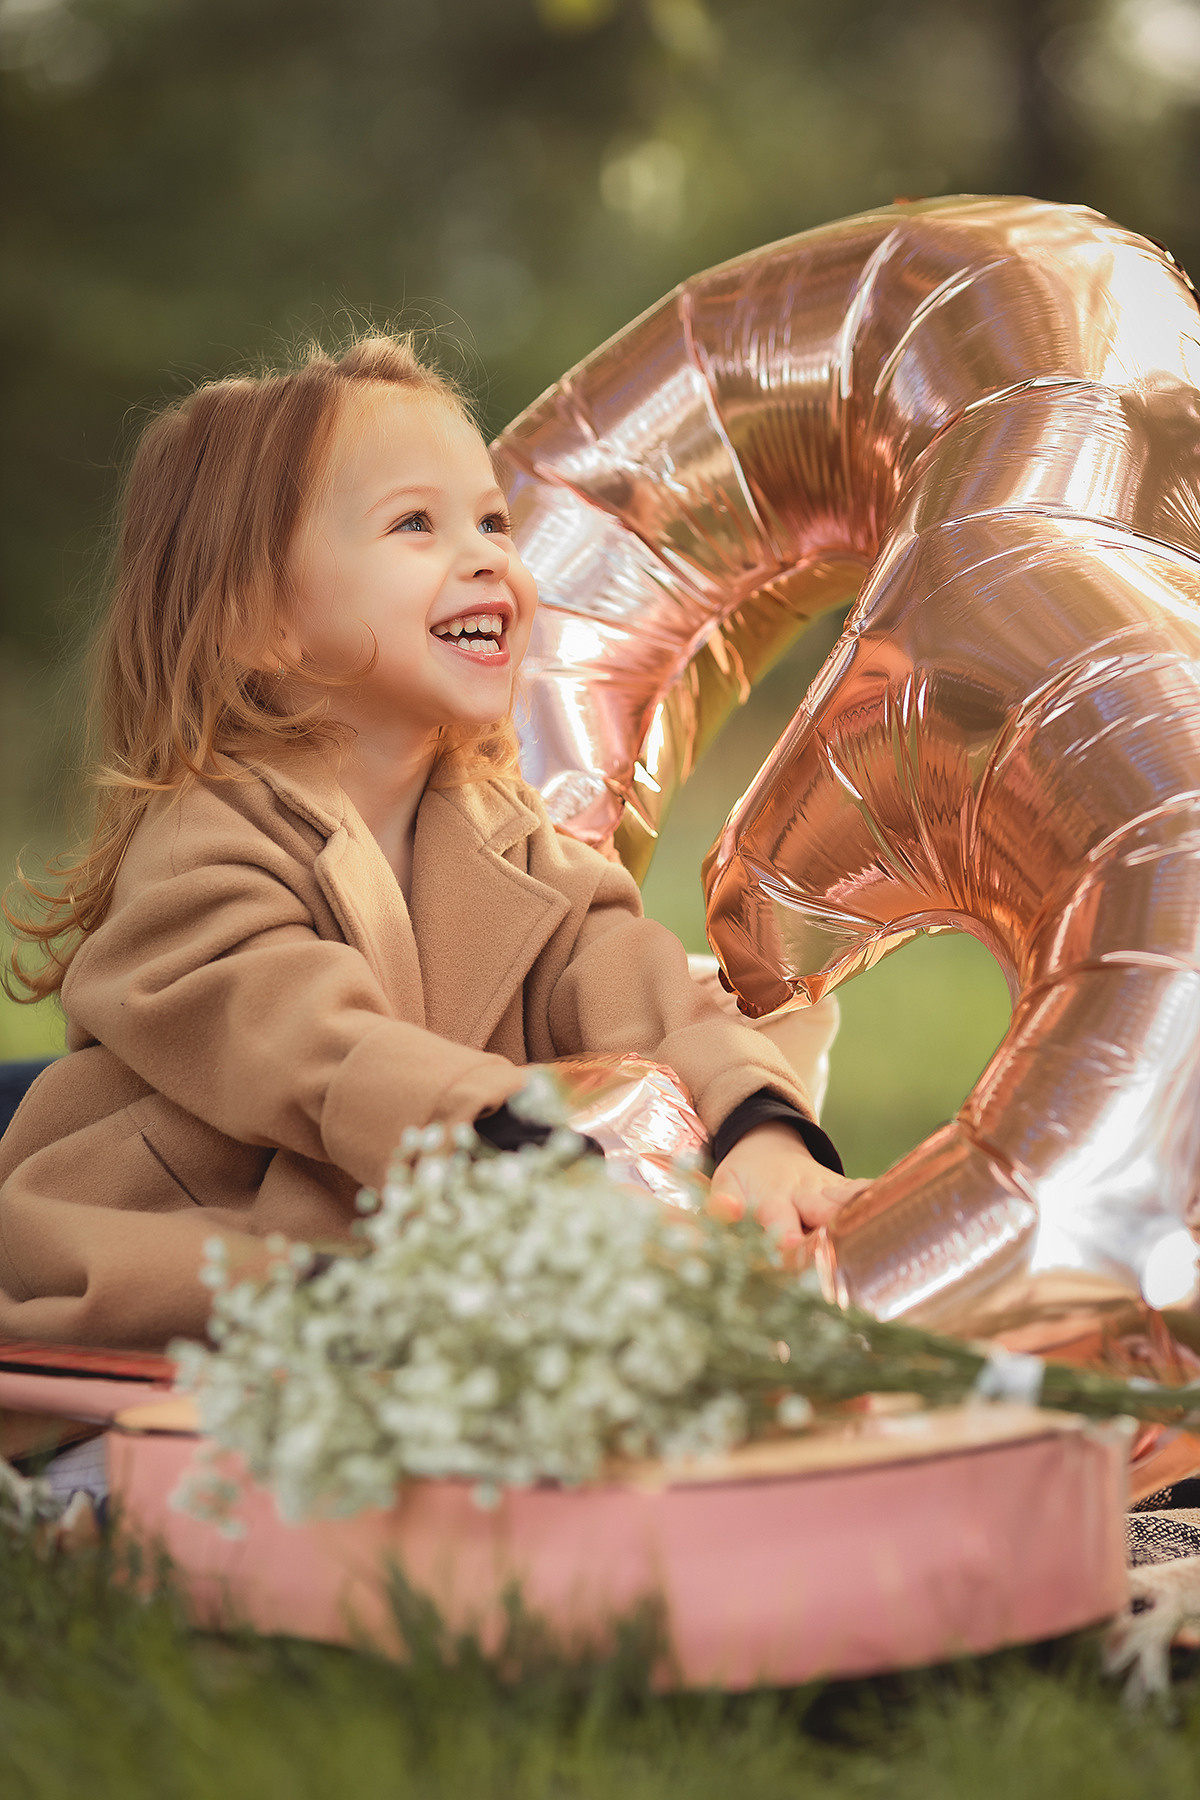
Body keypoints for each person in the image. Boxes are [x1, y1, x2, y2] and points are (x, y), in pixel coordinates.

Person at [0, 335, 861, 1350]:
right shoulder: (203, 838)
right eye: (416, 522)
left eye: (493, 519)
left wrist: (759, 1129)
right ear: (259, 619)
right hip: (187, 1276)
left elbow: (644, 989)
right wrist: (505, 1136)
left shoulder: (505, 835)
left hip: (419, 1257)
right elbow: (305, 1041)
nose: (491, 554)